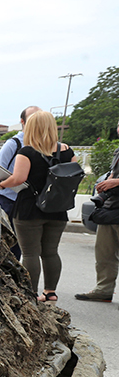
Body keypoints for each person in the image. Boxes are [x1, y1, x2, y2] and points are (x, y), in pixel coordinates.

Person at [0, 111, 79, 303]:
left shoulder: (27, 152)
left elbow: (19, 178)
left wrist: (2, 184)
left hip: (29, 209)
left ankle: (30, 293)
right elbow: (75, 176)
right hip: (58, 208)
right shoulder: (68, 152)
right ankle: (50, 292)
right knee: (51, 252)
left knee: (30, 253)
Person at [75, 118, 119, 303]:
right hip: (111, 209)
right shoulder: (118, 151)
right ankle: (103, 290)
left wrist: (116, 182)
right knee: (104, 254)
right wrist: (108, 181)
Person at [0, 106, 41, 260]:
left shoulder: (43, 144)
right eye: (33, 117)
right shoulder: (14, 144)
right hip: (9, 200)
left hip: (30, 203)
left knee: (22, 247)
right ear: (23, 121)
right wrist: (5, 183)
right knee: (3, 244)